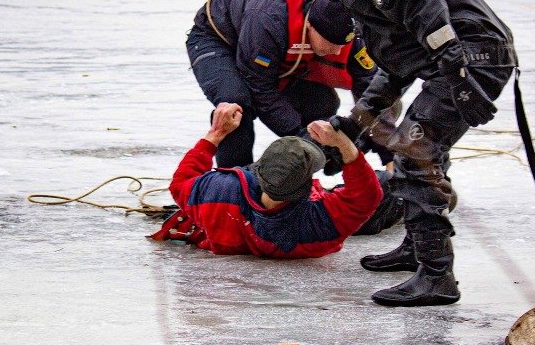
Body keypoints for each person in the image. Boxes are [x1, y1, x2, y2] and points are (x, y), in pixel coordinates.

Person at [299, 0, 535, 307]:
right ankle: (417, 249)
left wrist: (456, 69)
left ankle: (436, 275)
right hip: (470, 56)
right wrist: (356, 123)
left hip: (470, 58)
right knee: (420, 149)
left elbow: (427, 7)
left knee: (414, 154)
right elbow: (397, 68)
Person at [186, 0, 381, 169]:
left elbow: (371, 85)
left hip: (267, 49)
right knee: (237, 105)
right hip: (219, 38)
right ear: (310, 26)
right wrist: (302, 135)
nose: (337, 51)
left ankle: (294, 184)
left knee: (323, 105)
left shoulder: (346, 29)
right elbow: (261, 91)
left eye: (342, 46)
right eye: (331, 44)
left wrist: (367, 141)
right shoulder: (270, 21)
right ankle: (233, 183)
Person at [150, 103, 383, 258]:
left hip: (232, 222)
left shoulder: (219, 192)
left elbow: (180, 183)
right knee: (385, 183)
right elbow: (368, 196)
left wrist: (216, 134)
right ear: (307, 186)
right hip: (302, 234)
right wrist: (343, 143)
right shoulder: (319, 224)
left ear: (257, 170)